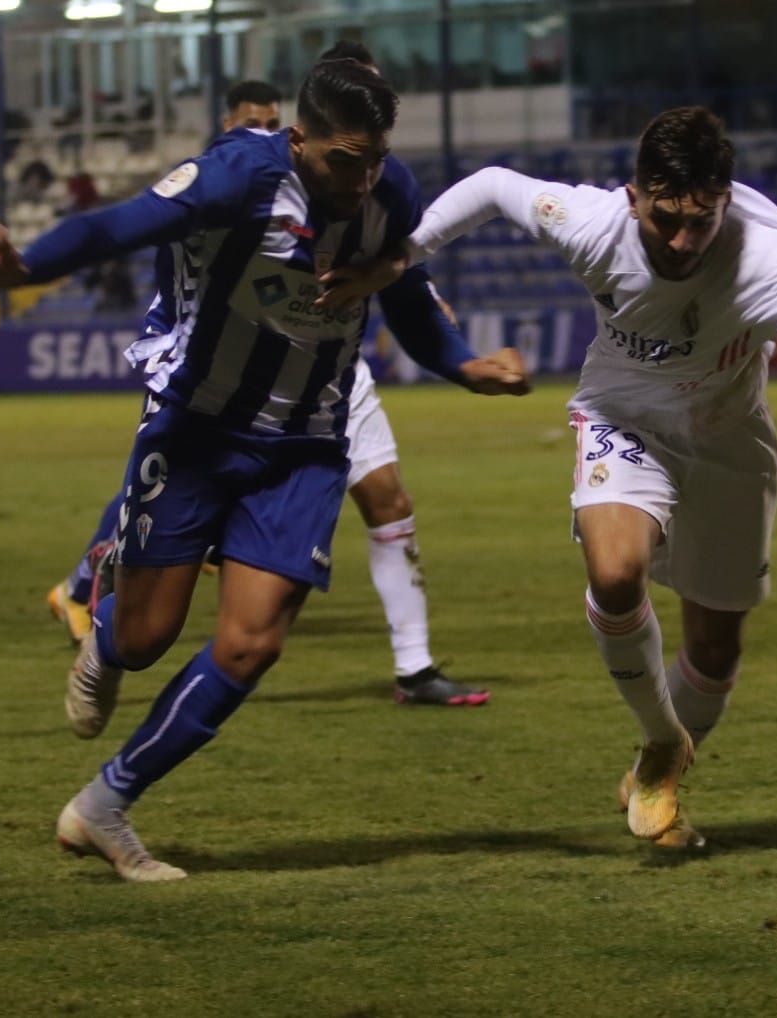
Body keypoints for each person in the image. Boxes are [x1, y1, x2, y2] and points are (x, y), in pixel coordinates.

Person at [0, 61, 530, 882]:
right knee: (147, 638)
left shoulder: (389, 189)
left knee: (252, 645)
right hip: (196, 431)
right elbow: (120, 224)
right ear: (298, 140)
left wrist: (464, 366)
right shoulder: (238, 174)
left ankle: (105, 805)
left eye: (373, 161)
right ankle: (105, 638)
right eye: (342, 161)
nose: (360, 182)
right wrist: (23, 270)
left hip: (306, 443)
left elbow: (404, 290)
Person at [377, 106, 777, 849]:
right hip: (621, 420)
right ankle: (663, 741)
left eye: (701, 221)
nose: (683, 240)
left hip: (729, 441)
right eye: (665, 219)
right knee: (615, 571)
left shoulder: (768, 257)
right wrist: (403, 254)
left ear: (725, 201)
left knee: (717, 647)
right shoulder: (592, 221)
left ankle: (656, 768)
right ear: (634, 197)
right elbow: (497, 186)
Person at [50, 61, 491, 708]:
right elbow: (136, 241)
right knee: (162, 581)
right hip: (221, 383)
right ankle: (109, 580)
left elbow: (401, 258)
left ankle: (414, 665)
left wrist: (435, 322)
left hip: (332, 378)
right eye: (253, 125)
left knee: (388, 501)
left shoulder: (377, 184)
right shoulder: (229, 182)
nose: (361, 162)